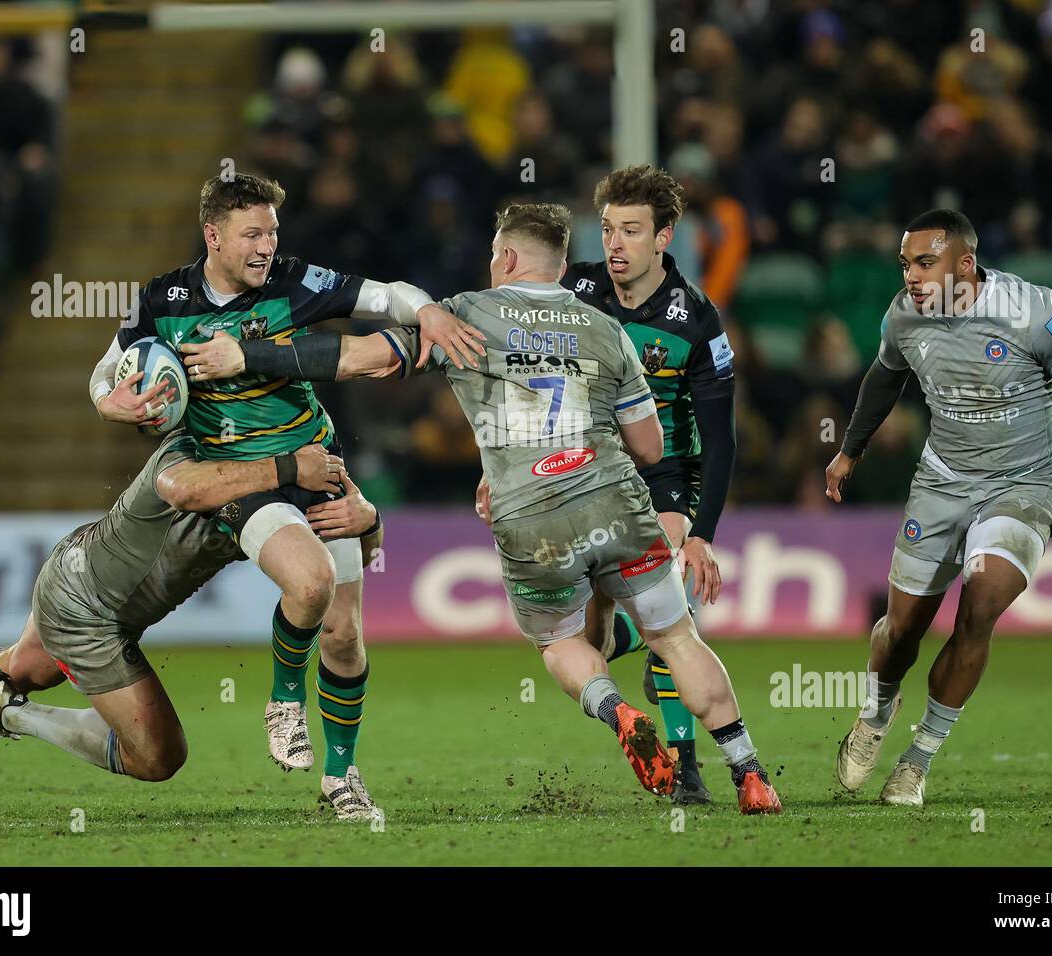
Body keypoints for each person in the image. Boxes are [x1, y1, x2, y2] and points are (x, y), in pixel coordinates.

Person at [185, 202, 782, 813]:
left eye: (495, 252)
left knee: (562, 644)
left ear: (509, 258)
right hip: (616, 500)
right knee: (678, 638)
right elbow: (651, 446)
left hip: (529, 518)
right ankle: (749, 772)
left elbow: (361, 358)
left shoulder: (464, 316)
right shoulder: (605, 327)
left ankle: (619, 712)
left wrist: (249, 356)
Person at [89, 172, 479, 819]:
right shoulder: (164, 299)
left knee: (345, 635)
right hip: (244, 475)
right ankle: (283, 703)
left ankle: (341, 779)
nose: (266, 245)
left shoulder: (295, 284)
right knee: (309, 582)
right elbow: (108, 372)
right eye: (252, 233)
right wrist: (113, 403)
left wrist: (429, 310)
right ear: (212, 236)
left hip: (316, 464)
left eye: (272, 231)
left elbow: (388, 297)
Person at [825, 208, 1052, 805]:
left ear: (965, 263)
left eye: (925, 263)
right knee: (901, 630)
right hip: (942, 483)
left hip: (1024, 486)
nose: (911, 276)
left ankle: (918, 758)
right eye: (906, 264)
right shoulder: (904, 317)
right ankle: (876, 715)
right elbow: (884, 378)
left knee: (979, 604)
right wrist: (849, 452)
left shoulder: (1034, 313)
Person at [0, 432, 347, 815]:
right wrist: (288, 468)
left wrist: (367, 516)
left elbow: (350, 544)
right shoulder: (192, 448)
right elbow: (189, 491)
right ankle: (9, 715)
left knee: (25, 670)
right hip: (88, 612)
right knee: (158, 756)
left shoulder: (285, 460)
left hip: (82, 570)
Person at [561, 164, 739, 804]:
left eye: (631, 231)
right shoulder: (572, 292)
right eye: (607, 228)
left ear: (665, 236)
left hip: (664, 483)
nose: (614, 244)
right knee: (592, 642)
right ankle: (634, 631)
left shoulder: (697, 320)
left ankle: (687, 768)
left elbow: (720, 439)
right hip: (580, 476)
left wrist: (704, 533)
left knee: (668, 603)